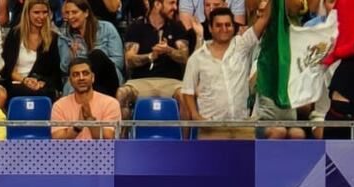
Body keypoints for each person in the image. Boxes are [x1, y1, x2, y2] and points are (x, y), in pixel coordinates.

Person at [181, 4, 272, 139]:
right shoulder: (197, 57)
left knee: (247, 161)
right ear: (210, 28)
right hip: (211, 129)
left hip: (242, 127)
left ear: (233, 27)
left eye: (228, 25)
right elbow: (187, 91)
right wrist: (195, 115)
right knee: (212, 161)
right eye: (218, 25)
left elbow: (264, 19)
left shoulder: (242, 45)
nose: (224, 29)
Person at [117, 0, 190, 119]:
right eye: (171, 3)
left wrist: (169, 50)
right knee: (122, 94)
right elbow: (129, 60)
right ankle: (123, 137)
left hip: (171, 82)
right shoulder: (136, 27)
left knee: (184, 95)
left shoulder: (177, 26)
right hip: (141, 82)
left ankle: (185, 138)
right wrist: (150, 56)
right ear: (157, 4)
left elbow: (185, 57)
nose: (175, 7)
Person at [57, 0, 125, 96]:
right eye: (67, 13)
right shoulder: (64, 36)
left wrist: (93, 67)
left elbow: (118, 62)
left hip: (108, 78)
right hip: (80, 81)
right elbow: (64, 68)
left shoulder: (107, 28)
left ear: (86, 13)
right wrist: (71, 57)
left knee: (96, 55)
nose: (70, 17)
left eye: (74, 12)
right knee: (89, 86)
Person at [0, 0, 62, 100]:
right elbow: (7, 68)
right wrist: (25, 80)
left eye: (45, 12)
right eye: (36, 12)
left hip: (40, 84)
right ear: (27, 13)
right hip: (17, 81)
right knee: (26, 92)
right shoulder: (15, 34)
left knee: (45, 93)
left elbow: (54, 73)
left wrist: (41, 82)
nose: (41, 17)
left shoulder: (53, 38)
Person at [51, 58, 122, 138]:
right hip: (70, 150)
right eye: (76, 74)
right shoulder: (59, 106)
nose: (81, 78)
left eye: (85, 73)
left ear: (93, 77)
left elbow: (109, 140)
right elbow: (57, 141)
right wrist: (78, 126)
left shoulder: (111, 103)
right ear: (70, 81)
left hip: (100, 150)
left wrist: (90, 120)